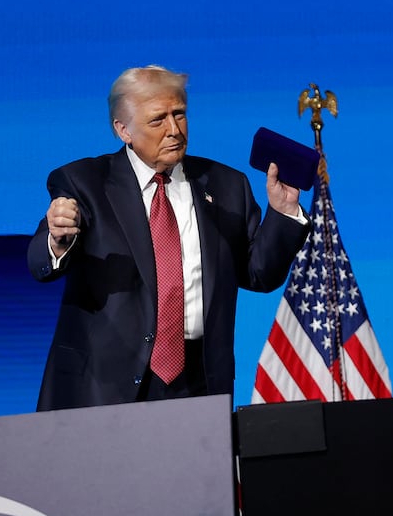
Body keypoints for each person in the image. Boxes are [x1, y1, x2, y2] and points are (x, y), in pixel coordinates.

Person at [28, 65, 311, 410]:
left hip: (199, 383)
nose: (174, 130)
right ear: (123, 129)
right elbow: (40, 263)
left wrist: (282, 212)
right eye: (157, 120)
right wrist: (58, 240)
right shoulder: (85, 182)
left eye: (179, 114)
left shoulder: (226, 185)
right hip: (103, 385)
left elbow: (259, 274)